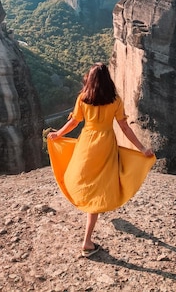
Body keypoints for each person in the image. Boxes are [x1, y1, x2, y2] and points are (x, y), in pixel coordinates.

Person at [47, 62, 155, 257]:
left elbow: (74, 122)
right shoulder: (115, 101)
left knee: (80, 177)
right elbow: (124, 128)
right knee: (98, 188)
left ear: (90, 80)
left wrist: (58, 134)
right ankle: (87, 241)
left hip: (87, 144)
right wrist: (142, 148)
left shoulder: (83, 98)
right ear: (108, 81)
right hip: (105, 145)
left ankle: (87, 211)